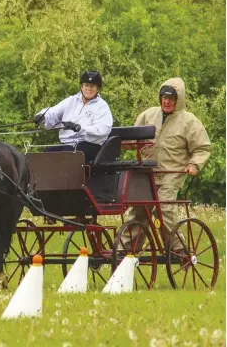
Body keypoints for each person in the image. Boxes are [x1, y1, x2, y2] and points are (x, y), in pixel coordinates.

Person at [121, 77, 211, 254]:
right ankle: (126, 250)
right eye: (164, 97)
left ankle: (178, 250)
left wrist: (194, 164)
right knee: (138, 209)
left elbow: (202, 148)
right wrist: (118, 142)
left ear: (179, 100)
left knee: (163, 208)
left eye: (171, 98)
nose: (167, 101)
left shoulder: (189, 121)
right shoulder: (148, 115)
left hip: (173, 172)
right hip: (147, 171)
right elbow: (132, 139)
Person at [33, 70, 113, 164]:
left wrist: (78, 128)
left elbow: (102, 129)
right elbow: (53, 113)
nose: (89, 89)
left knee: (67, 155)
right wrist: (42, 117)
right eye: (86, 85)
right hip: (67, 143)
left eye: (92, 86)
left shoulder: (102, 106)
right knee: (46, 155)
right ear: (81, 86)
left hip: (89, 145)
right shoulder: (71, 101)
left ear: (97, 89)